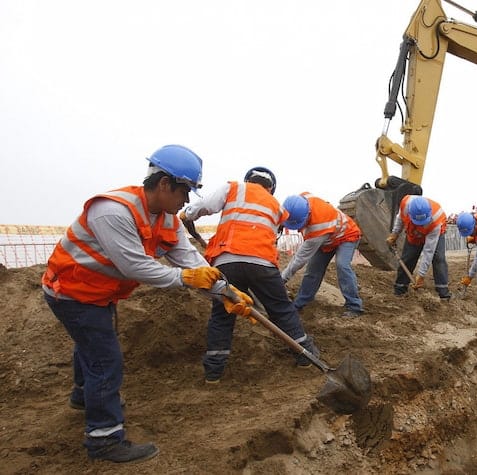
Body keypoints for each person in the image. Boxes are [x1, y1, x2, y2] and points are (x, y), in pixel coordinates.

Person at [41, 145, 254, 464]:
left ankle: (83, 396)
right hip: (71, 291)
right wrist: (184, 279)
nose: (186, 200)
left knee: (93, 345)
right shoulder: (113, 211)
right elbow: (134, 266)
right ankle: (104, 439)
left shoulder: (168, 220)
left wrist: (226, 293)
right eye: (185, 191)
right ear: (165, 184)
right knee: (104, 358)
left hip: (99, 292)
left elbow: (192, 261)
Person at [179, 167, 320, 378]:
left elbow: (203, 207)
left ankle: (214, 372)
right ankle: (306, 356)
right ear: (271, 188)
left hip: (227, 260)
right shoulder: (277, 207)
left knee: (222, 313)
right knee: (281, 309)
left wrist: (186, 213)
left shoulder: (233, 188)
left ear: (248, 180)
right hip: (263, 264)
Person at [280, 193, 365, 318]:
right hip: (328, 239)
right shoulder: (301, 200)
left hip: (347, 235)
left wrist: (282, 279)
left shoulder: (318, 227)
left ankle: (354, 306)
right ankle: (299, 304)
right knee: (313, 270)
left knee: (342, 265)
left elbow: (299, 259)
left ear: (307, 216)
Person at [386, 195, 451, 300]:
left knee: (438, 258)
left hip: (435, 232)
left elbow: (428, 251)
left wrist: (421, 275)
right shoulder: (405, 205)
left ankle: (443, 292)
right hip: (414, 233)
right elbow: (400, 218)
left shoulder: (435, 219)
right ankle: (400, 288)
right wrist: (394, 234)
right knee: (408, 258)